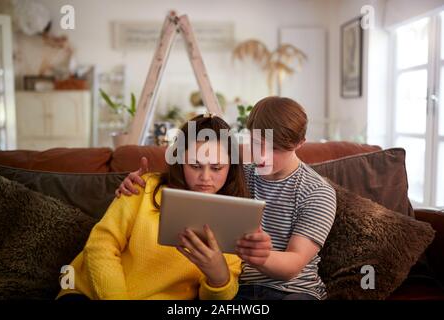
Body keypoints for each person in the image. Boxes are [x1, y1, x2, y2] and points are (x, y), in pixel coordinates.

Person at [117, 96, 337, 300]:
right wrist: (142, 182)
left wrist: (258, 256)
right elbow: (190, 176)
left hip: (293, 291)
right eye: (257, 142)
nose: (262, 155)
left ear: (300, 143)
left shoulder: (317, 192)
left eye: (275, 149)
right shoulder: (236, 175)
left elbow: (294, 264)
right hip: (236, 289)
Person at [57, 114, 251, 300]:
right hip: (88, 293)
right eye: (195, 165)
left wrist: (219, 278)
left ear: (231, 167)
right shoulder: (143, 187)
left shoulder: (232, 218)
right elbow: (100, 245)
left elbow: (217, 297)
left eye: (217, 168)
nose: (205, 178)